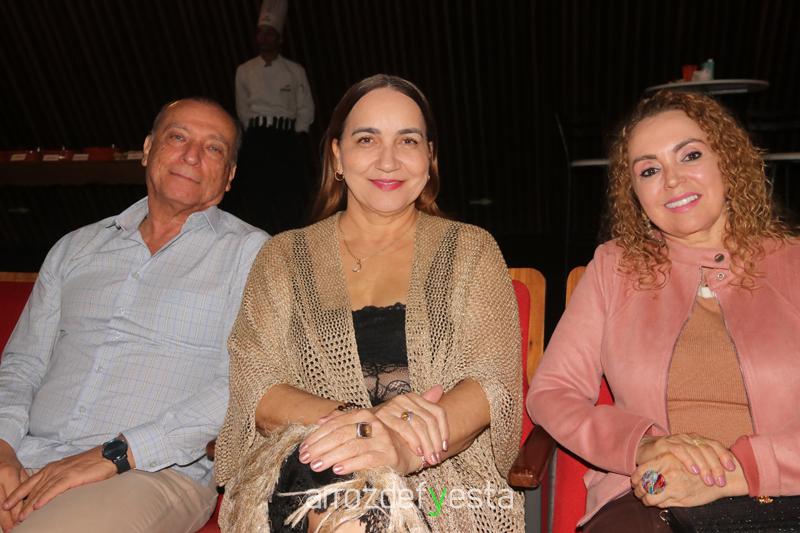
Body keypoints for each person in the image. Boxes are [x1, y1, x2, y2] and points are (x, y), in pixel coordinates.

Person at [215, 74, 523, 532]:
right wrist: (360, 425)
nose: (388, 160)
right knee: (340, 498)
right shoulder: (284, 257)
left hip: (441, 485)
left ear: (429, 157)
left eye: (408, 141)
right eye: (366, 139)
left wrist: (403, 451)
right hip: (309, 464)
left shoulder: (470, 250)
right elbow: (258, 388)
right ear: (337, 155)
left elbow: (491, 384)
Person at [527, 90, 800, 532]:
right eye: (649, 170)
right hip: (649, 498)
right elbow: (552, 393)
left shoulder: (793, 263)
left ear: (727, 162)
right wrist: (643, 447)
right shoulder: (614, 268)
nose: (672, 180)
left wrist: (739, 470)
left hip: (785, 496)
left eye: (690, 155)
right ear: (635, 194)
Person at [0, 98, 268, 533]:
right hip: (27, 455)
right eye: (177, 137)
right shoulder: (75, 248)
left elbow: (246, 383)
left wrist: (116, 453)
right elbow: (23, 364)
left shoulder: (254, 255)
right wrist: (3, 449)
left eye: (214, 148)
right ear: (147, 149)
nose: (192, 156)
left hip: (150, 472)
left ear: (230, 175)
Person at [233, 0, 315, 235]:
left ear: (279, 39)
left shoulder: (294, 70)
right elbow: (242, 107)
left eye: (269, 33)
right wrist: (251, 131)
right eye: (261, 32)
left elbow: (305, 105)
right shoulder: (244, 70)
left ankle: (291, 240)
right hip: (257, 136)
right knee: (256, 193)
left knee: (289, 194)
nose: (264, 38)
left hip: (286, 137)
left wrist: (299, 133)